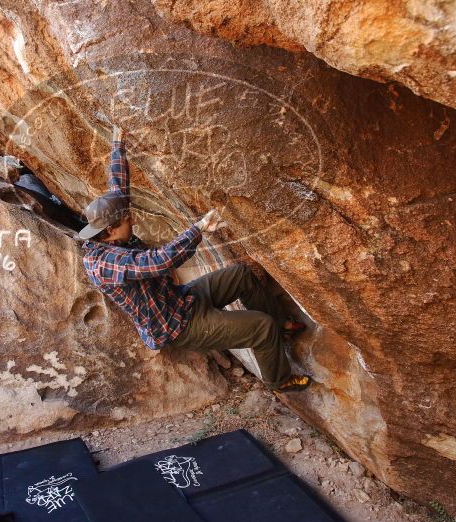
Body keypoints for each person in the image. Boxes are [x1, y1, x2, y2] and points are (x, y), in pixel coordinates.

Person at [80, 126, 312, 393]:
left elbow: (118, 189)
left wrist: (117, 143)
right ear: (109, 230)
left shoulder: (110, 231)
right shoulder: (104, 264)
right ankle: (279, 381)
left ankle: (280, 328)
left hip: (182, 299)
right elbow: (158, 262)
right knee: (262, 327)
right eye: (127, 219)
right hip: (181, 325)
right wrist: (198, 228)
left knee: (241, 275)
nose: (132, 219)